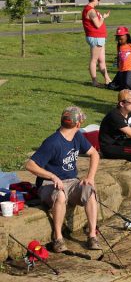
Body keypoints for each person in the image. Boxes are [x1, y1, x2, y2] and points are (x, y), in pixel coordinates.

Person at [25, 107, 101, 253]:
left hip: (71, 182)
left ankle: (92, 235)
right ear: (78, 124)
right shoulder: (52, 142)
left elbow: (94, 154)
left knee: (89, 190)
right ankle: (58, 238)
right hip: (49, 185)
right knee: (60, 195)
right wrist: (52, 176)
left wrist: (90, 177)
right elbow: (30, 165)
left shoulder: (77, 136)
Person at [82, 0, 112, 87]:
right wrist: (103, 17)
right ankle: (94, 81)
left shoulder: (92, 10)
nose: (99, 2)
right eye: (98, 0)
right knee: (94, 60)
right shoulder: (90, 11)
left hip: (100, 37)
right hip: (95, 37)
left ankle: (107, 79)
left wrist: (103, 17)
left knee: (102, 60)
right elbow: (98, 25)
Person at [108, 26, 131, 91]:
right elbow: (118, 56)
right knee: (123, 85)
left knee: (127, 83)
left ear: (126, 36)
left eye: (121, 39)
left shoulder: (130, 46)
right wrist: (118, 65)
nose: (119, 40)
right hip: (121, 69)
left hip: (130, 69)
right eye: (118, 39)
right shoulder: (119, 46)